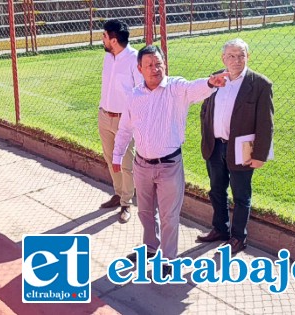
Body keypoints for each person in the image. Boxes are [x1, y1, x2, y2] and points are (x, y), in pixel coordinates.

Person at [113, 45, 228, 277]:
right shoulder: (134, 96)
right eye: (149, 65)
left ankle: (168, 259)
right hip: (142, 165)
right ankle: (150, 248)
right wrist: (117, 155)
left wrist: (210, 83)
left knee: (169, 216)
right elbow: (125, 129)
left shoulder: (176, 88)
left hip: (169, 166)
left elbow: (195, 88)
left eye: (159, 64)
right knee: (145, 212)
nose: (155, 69)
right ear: (140, 68)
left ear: (165, 64)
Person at [196, 38, 274, 255]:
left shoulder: (260, 84)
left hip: (241, 150)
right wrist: (207, 136)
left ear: (248, 57)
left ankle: (239, 238)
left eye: (241, 55)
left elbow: (266, 124)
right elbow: (206, 110)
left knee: (241, 195)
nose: (236, 60)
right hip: (215, 147)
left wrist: (260, 155)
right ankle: (220, 229)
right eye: (231, 55)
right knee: (216, 191)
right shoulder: (216, 79)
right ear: (223, 58)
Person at [98, 19, 143, 223]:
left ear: (113, 40)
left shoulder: (135, 59)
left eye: (105, 36)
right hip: (104, 116)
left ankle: (126, 203)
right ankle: (118, 194)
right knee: (110, 159)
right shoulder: (108, 57)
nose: (102, 39)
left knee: (126, 164)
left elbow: (141, 92)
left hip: (125, 121)